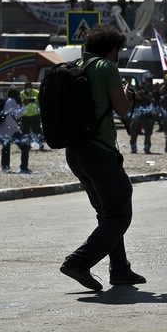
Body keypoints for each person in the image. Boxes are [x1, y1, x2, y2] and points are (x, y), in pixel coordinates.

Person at [59, 23, 143, 291]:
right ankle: (79, 261)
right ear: (112, 49)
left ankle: (119, 269)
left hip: (75, 152)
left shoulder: (73, 67)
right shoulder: (107, 68)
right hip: (99, 150)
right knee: (119, 214)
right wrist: (129, 96)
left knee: (107, 213)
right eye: (118, 50)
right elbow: (123, 109)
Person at [0, 88, 30, 173]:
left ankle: (5, 167)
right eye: (16, 94)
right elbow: (17, 114)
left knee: (6, 148)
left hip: (2, 129)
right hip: (11, 129)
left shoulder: (5, 101)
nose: (17, 97)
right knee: (25, 146)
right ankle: (24, 168)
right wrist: (24, 105)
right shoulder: (12, 101)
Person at [19, 80, 44, 150]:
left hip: (35, 115)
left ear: (31, 87)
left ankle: (41, 145)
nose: (28, 88)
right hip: (25, 116)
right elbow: (20, 104)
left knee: (37, 131)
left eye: (29, 87)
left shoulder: (36, 92)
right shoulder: (21, 94)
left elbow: (40, 102)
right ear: (24, 87)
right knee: (25, 132)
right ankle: (27, 145)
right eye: (27, 87)